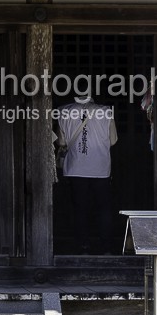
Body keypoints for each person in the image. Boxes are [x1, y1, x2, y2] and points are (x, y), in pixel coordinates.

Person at [56, 97, 119, 253]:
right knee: (104, 209)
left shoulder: (64, 111)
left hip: (76, 168)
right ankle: (107, 248)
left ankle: (83, 246)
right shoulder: (106, 112)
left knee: (80, 209)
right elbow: (113, 140)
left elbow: (62, 142)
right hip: (100, 169)